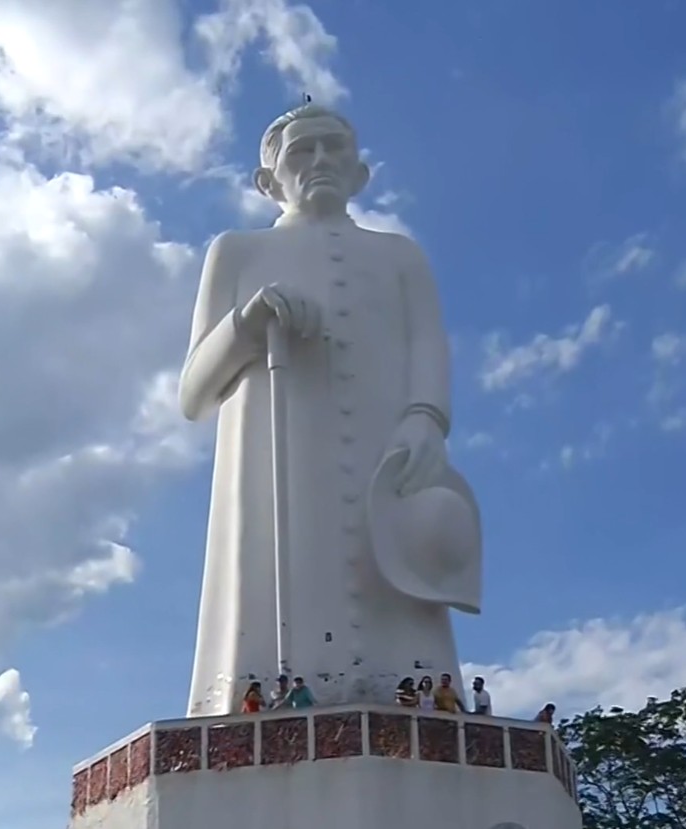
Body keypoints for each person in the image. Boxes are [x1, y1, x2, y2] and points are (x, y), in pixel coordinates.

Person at [178, 103, 483, 716]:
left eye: (333, 149)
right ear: (268, 182)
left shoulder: (400, 255)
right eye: (301, 151)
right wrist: (248, 322)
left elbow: (429, 342)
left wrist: (427, 416)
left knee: (394, 583)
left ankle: (417, 698)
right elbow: (193, 392)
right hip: (277, 460)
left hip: (386, 452)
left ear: (361, 172)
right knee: (272, 593)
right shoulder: (237, 252)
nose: (319, 161)